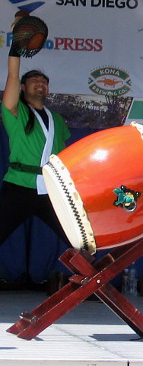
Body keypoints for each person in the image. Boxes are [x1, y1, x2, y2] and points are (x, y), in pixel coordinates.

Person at [0, 13, 71, 250]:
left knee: (78, 239)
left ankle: (93, 274)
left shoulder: (57, 120)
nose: (40, 82)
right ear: (22, 87)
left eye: (44, 81)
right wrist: (16, 45)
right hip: (19, 186)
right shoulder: (15, 111)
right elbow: (12, 74)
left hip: (50, 189)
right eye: (34, 79)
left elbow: (63, 156)